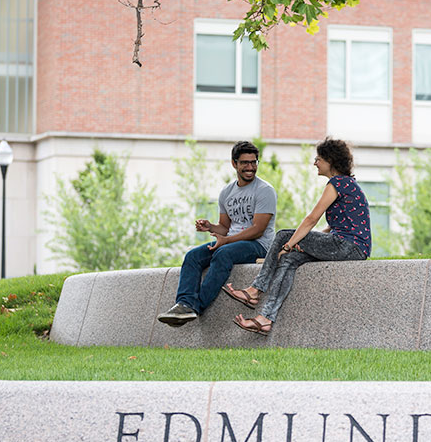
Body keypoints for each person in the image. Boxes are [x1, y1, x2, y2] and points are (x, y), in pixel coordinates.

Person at [224, 137, 370, 335]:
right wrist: (304, 244)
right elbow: (333, 227)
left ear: (331, 161)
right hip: (349, 246)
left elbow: (311, 219)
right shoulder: (347, 184)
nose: (315, 163)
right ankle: (265, 319)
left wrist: (289, 244)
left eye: (319, 158)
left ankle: (255, 290)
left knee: (284, 235)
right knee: (290, 260)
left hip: (348, 245)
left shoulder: (337, 183)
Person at [157, 140, 277, 326]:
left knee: (223, 253)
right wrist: (211, 227)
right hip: (232, 242)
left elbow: (257, 230)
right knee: (193, 256)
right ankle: (184, 304)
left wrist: (227, 240)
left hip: (259, 245)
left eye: (254, 162)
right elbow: (225, 226)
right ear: (234, 163)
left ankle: (195, 306)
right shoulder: (227, 192)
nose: (250, 167)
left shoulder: (265, 191)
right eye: (245, 162)